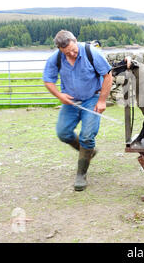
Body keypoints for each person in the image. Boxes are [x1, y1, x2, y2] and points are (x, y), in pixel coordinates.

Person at [43, 30, 113, 191]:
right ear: (60, 50)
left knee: (87, 136)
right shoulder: (56, 58)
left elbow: (108, 75)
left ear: (75, 40)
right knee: (63, 133)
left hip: (92, 98)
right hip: (71, 101)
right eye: (68, 53)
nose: (73, 54)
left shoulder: (91, 52)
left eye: (74, 50)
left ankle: (81, 174)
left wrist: (102, 100)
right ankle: (88, 152)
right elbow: (48, 80)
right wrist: (59, 95)